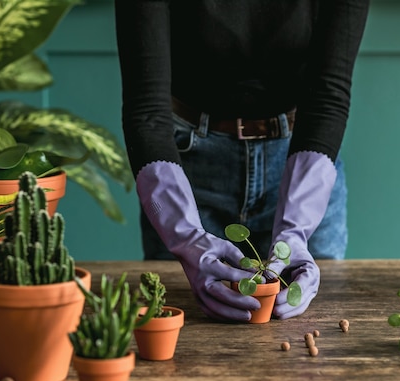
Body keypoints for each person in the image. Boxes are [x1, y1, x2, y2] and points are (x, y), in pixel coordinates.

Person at [114, 0, 370, 322]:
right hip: (186, 170)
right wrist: (186, 234)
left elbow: (329, 94)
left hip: (302, 162)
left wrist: (295, 230)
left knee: (313, 343)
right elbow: (146, 109)